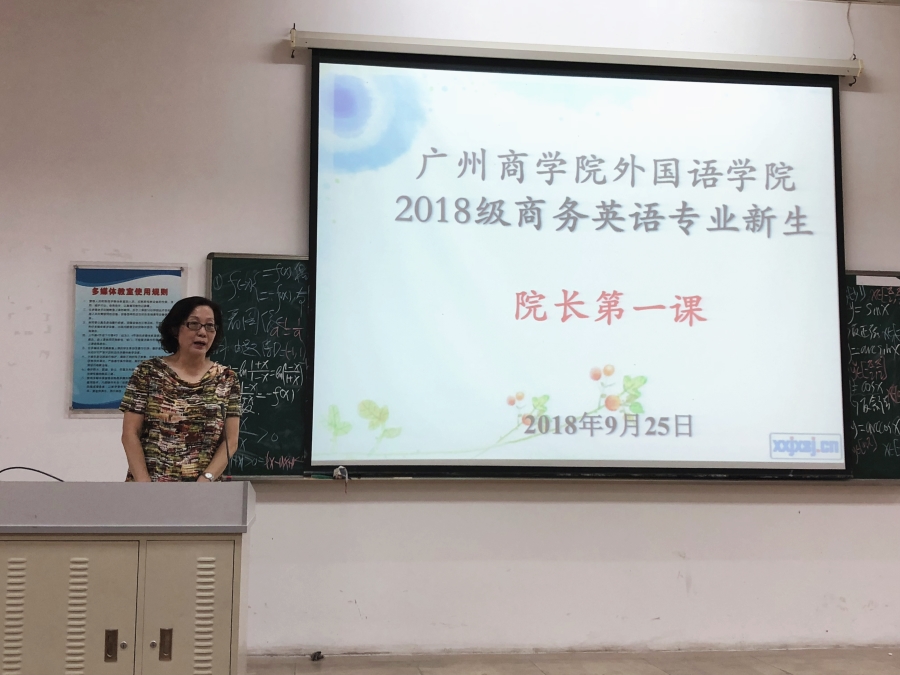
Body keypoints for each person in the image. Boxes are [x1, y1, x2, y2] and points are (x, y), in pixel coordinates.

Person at [120, 296, 240, 482]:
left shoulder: (227, 378)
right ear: (175, 329)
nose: (202, 332)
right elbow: (130, 434)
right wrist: (145, 485)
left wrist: (206, 479)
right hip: (149, 487)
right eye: (194, 324)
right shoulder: (148, 372)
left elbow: (230, 441)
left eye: (210, 326)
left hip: (204, 490)